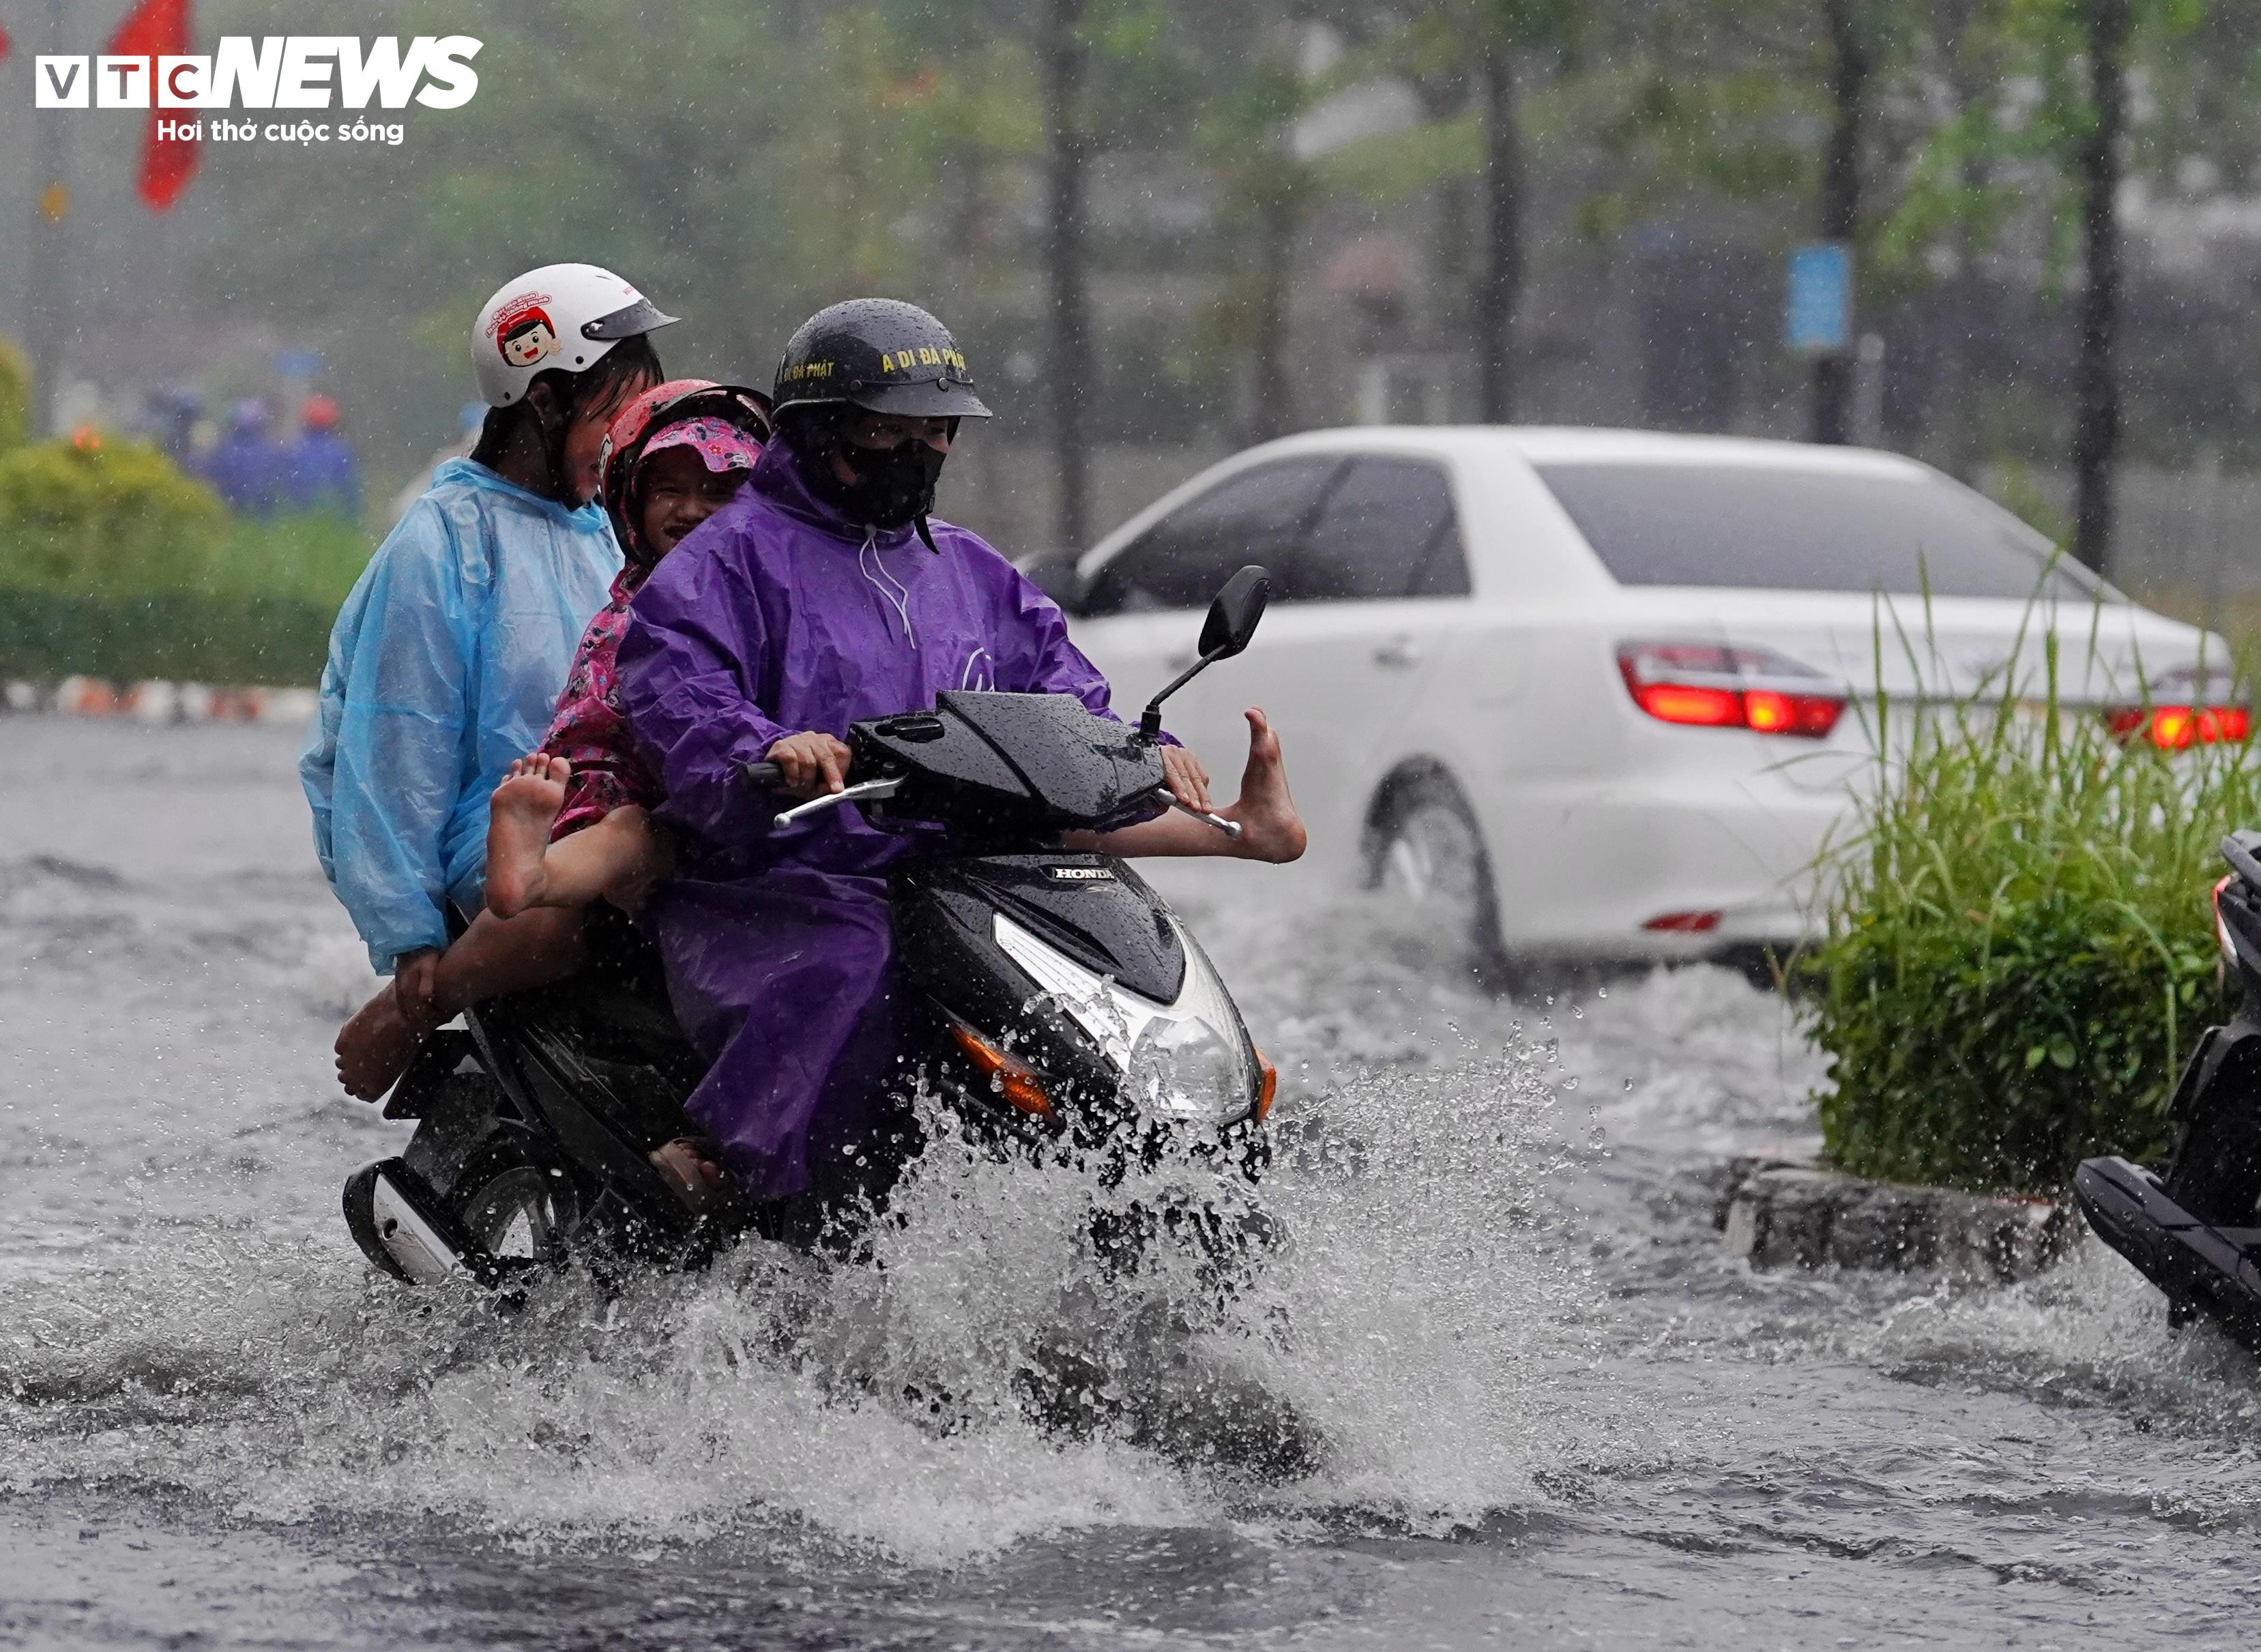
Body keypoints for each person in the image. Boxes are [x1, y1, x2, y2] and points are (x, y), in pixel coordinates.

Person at [615, 299, 1306, 1227]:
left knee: (1128, 959)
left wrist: (1146, 751)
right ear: (814, 430)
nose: (913, 453)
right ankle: (769, 1199)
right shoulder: (722, 564)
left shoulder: (975, 570)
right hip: (784, 885)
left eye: (933, 432)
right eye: (882, 431)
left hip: (970, 878)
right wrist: (767, 747)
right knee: (856, 964)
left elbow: (1065, 694)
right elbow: (677, 690)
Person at [307, 263, 675, 1098]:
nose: (628, 443)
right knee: (593, 873)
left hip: (612, 807)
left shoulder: (609, 528)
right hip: (497, 841)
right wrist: (411, 941)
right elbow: (393, 749)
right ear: (542, 402)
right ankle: (419, 1010)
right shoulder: (441, 545)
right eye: (612, 415)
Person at [199, 398, 289, 515]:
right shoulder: (272, 453)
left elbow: (211, 485)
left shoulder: (222, 451)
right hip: (264, 522)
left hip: (230, 519)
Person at [285, 394, 362, 517]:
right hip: (334, 519)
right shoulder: (341, 452)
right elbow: (350, 492)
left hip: (300, 519)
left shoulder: (295, 450)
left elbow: (288, 489)